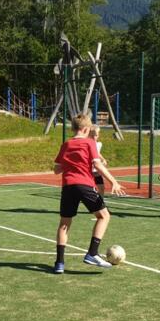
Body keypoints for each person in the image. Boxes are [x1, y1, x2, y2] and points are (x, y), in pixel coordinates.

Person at [52, 113, 125, 274]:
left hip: (68, 187)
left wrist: (70, 164)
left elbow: (56, 169)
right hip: (84, 185)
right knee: (104, 216)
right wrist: (113, 181)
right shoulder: (89, 143)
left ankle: (59, 263)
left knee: (64, 224)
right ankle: (92, 253)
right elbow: (98, 165)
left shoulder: (66, 144)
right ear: (86, 129)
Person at [89, 125, 109, 197]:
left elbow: (97, 153)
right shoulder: (87, 144)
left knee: (101, 187)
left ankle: (101, 202)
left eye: (96, 135)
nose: (95, 137)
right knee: (90, 188)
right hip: (89, 170)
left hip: (96, 170)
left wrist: (103, 159)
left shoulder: (99, 144)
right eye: (93, 135)